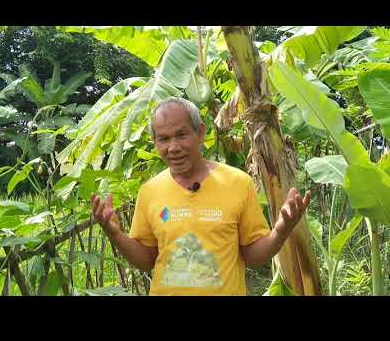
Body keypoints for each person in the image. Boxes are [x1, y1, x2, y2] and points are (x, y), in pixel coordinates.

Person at [90, 97, 310, 296]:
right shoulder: (150, 191)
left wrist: (281, 230)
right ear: (155, 142)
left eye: (182, 135)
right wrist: (114, 233)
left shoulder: (237, 183)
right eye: (163, 139)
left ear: (200, 133)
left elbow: (252, 257)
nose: (173, 148)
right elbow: (147, 260)